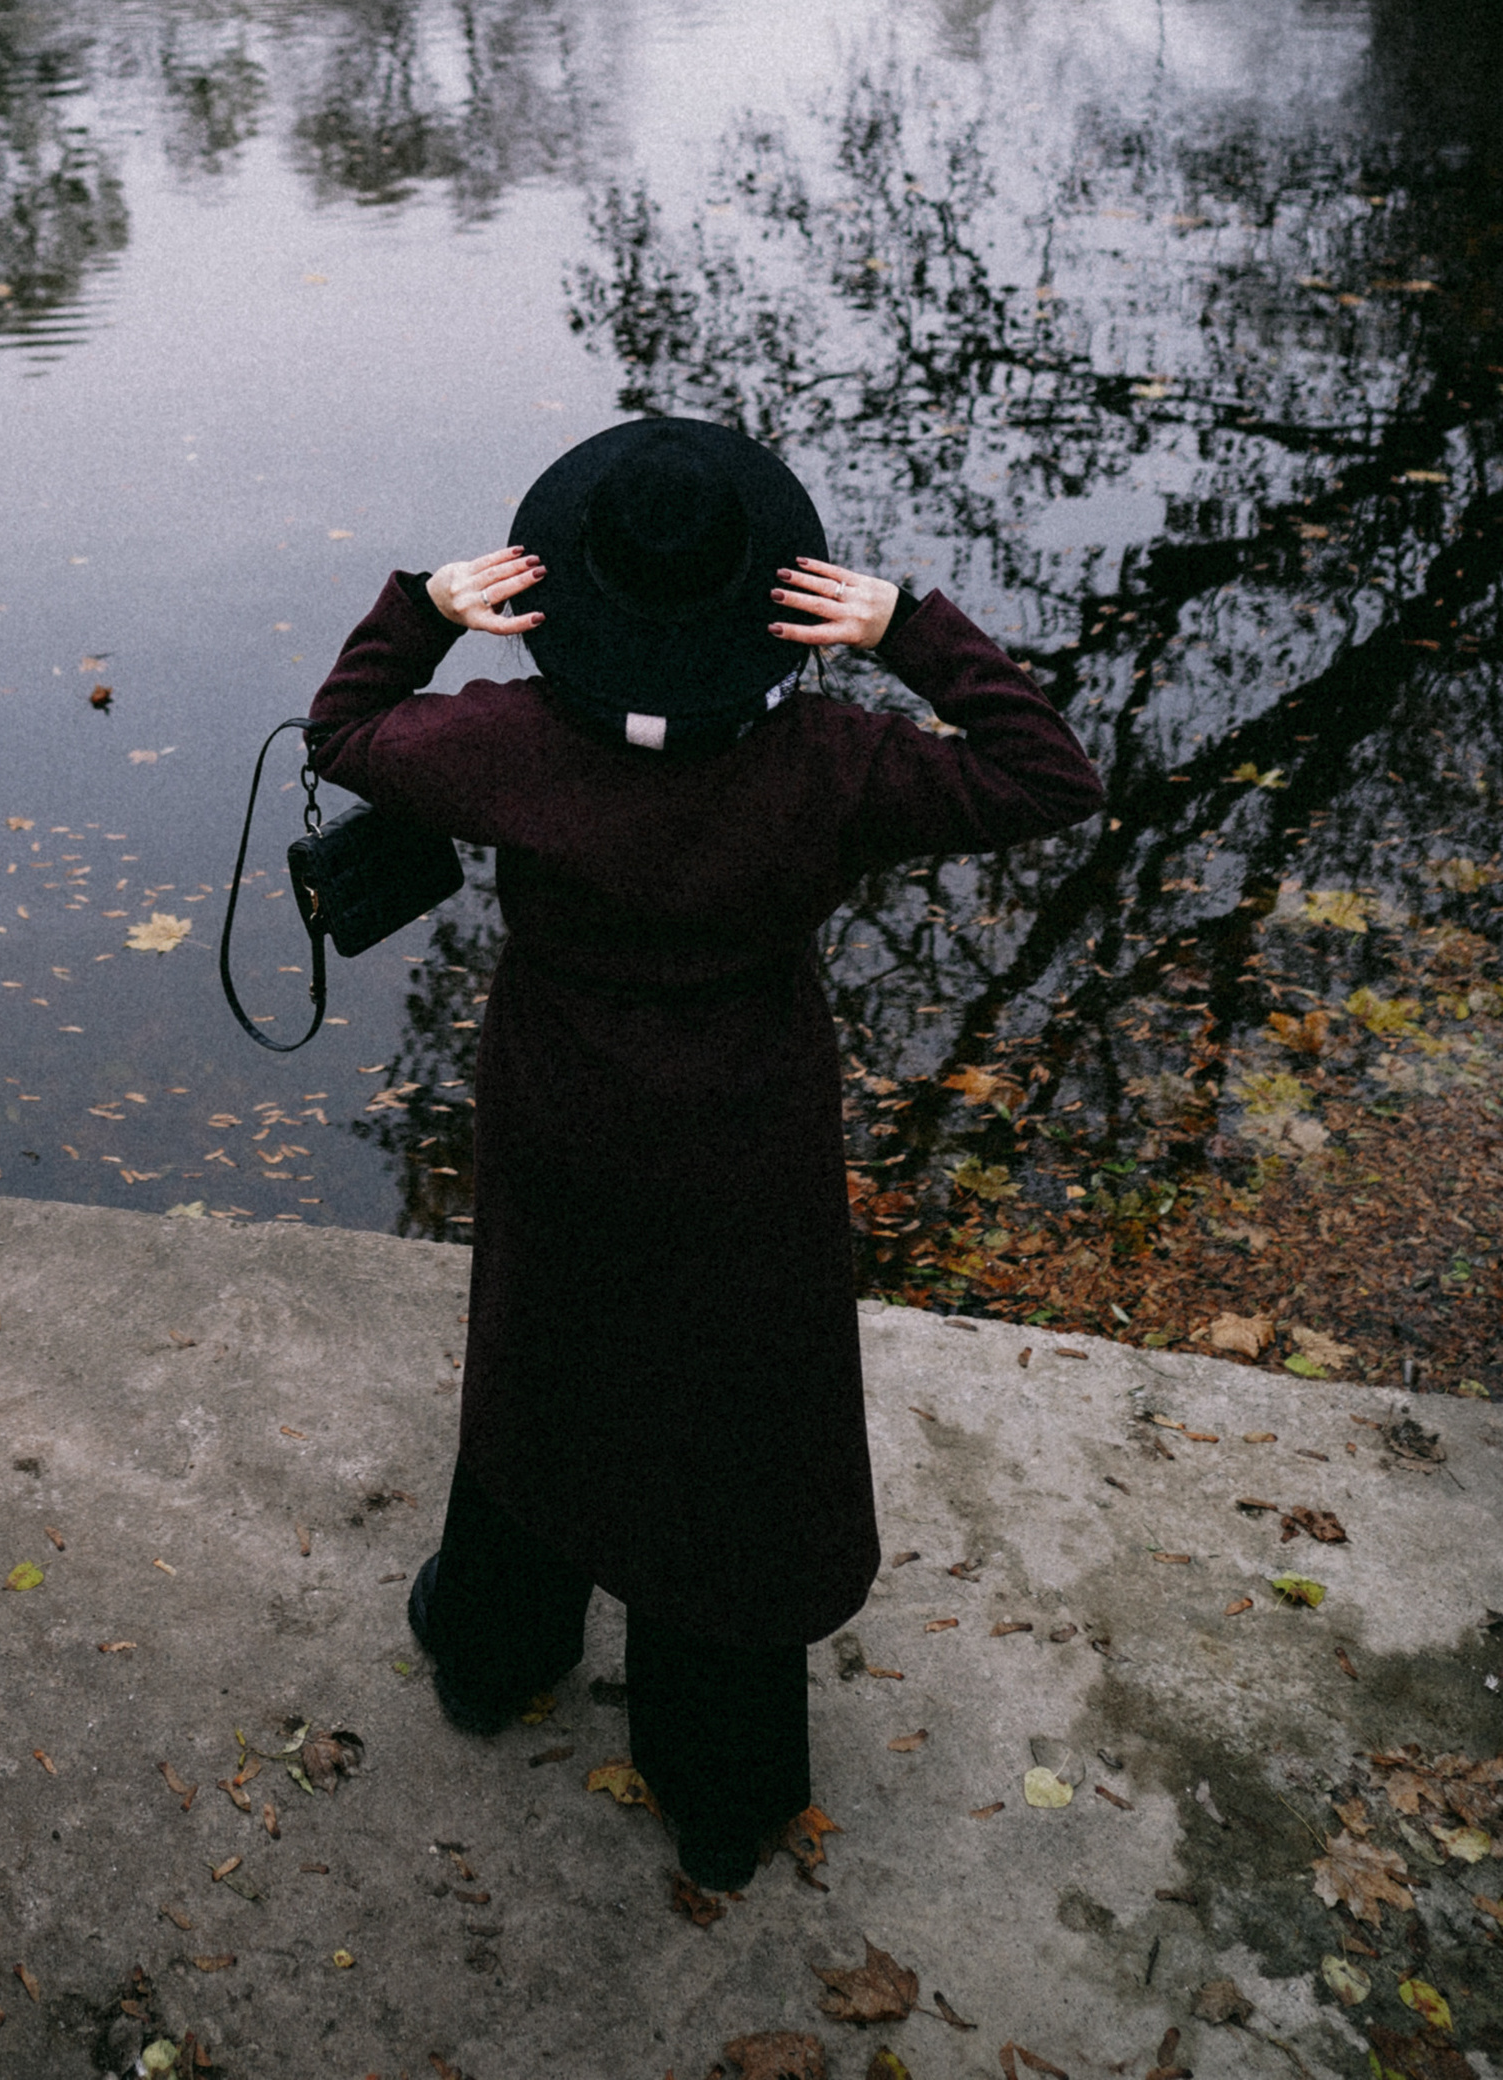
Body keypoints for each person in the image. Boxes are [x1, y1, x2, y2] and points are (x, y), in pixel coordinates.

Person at [302, 411, 1103, 1895]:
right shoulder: (835, 765)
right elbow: (1050, 776)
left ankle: (494, 1653)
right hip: (746, 1134)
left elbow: (342, 731)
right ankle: (720, 1789)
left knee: (545, 1353)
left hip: (561, 1118)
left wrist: (424, 607)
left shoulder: (501, 746)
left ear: (568, 590)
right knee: (732, 1415)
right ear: (770, 600)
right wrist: (910, 630)